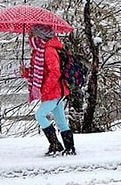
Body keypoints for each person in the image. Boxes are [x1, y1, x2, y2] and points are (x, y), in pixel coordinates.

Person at [20, 24, 76, 155]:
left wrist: (44, 89)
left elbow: (54, 72)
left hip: (55, 91)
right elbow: (39, 72)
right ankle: (69, 148)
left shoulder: (49, 50)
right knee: (61, 121)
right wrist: (26, 72)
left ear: (39, 35)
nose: (29, 36)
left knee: (39, 115)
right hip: (53, 91)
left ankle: (55, 145)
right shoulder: (38, 51)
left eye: (31, 33)